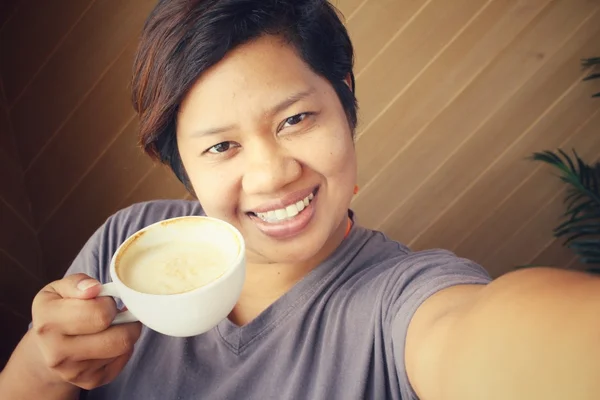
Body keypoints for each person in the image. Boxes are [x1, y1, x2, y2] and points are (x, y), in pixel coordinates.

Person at [1, 0, 599, 399]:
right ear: (181, 165)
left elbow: (487, 336)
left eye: (295, 119)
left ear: (344, 101)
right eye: (221, 147)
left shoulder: (400, 303)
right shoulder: (127, 242)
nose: (271, 173)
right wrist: (41, 362)